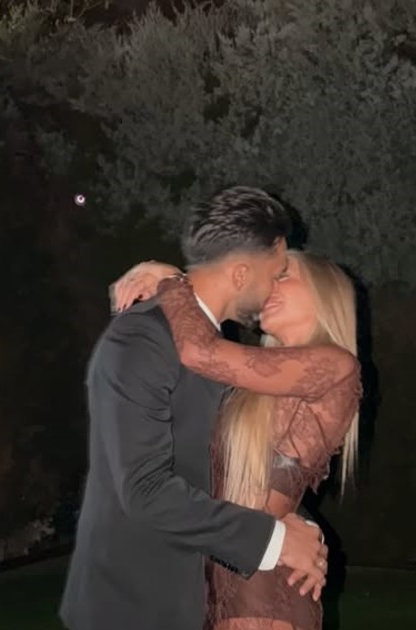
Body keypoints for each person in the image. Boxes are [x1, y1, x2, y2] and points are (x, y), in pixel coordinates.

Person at [60, 187, 330, 630]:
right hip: (131, 608)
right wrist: (277, 540)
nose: (274, 288)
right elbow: (145, 492)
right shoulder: (142, 340)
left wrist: (302, 531)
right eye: (276, 273)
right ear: (241, 275)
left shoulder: (211, 349)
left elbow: (227, 471)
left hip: (184, 602)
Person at [111, 250, 362, 630]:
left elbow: (199, 351)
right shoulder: (249, 395)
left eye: (283, 276)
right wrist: (299, 526)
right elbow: (251, 480)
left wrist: (173, 281)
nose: (268, 286)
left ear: (323, 293)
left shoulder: (335, 364)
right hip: (222, 583)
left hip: (265, 594)